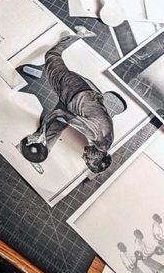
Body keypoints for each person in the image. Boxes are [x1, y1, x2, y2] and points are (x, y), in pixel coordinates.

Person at [19, 29, 127, 174]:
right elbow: (58, 113)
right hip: (73, 89)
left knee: (56, 127)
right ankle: (77, 35)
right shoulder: (94, 134)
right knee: (51, 55)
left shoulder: (106, 143)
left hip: (80, 99)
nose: (83, 157)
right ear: (97, 157)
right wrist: (41, 132)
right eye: (88, 161)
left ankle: (37, 156)